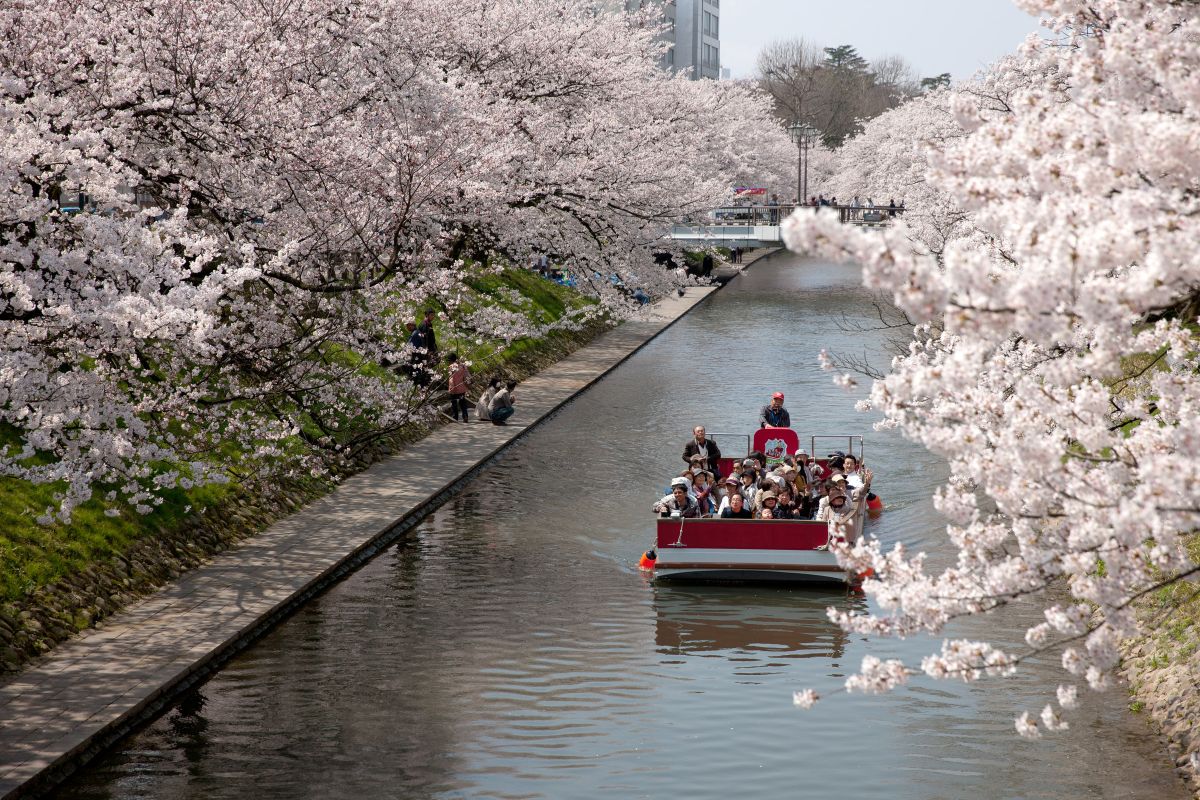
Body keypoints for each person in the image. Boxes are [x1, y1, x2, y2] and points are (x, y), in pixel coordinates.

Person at [445, 353, 471, 422]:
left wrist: (452, 388)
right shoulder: (463, 366)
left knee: (454, 403)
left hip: (453, 388)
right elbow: (467, 375)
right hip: (462, 388)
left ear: (450, 360)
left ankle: (455, 417)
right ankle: (465, 416)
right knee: (463, 403)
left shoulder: (451, 367)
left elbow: (451, 378)